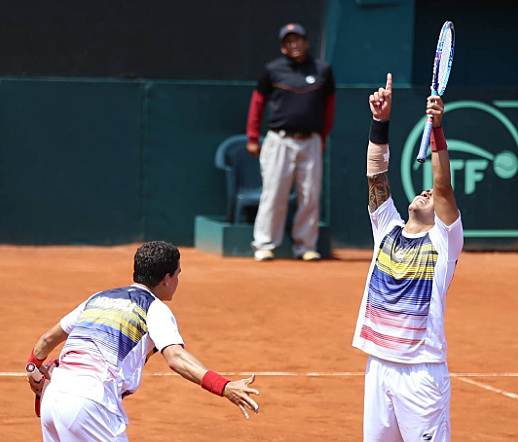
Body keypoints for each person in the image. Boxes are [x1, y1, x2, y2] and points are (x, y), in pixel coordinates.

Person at [27, 241, 259, 441]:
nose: (178, 280)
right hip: (90, 404)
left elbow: (46, 340)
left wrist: (33, 368)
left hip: (53, 398)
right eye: (178, 274)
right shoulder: (154, 308)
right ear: (166, 279)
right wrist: (223, 386)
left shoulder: (98, 298)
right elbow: (176, 358)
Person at [352, 73, 463, 442]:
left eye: (433, 197)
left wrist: (437, 129)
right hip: (378, 366)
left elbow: (444, 185)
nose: (426, 192)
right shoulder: (387, 228)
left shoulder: (444, 243)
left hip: (422, 374)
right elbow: (375, 175)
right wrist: (380, 121)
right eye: (424, 191)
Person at [246, 23, 336, 262]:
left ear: (306, 42)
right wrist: (253, 137)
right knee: (274, 193)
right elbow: (257, 104)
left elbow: (329, 107)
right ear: (283, 47)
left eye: (298, 39)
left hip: (311, 141)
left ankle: (305, 246)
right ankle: (265, 244)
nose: (294, 44)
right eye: (288, 41)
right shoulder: (272, 70)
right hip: (279, 140)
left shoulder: (322, 69)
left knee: (310, 195)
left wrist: (323, 136)